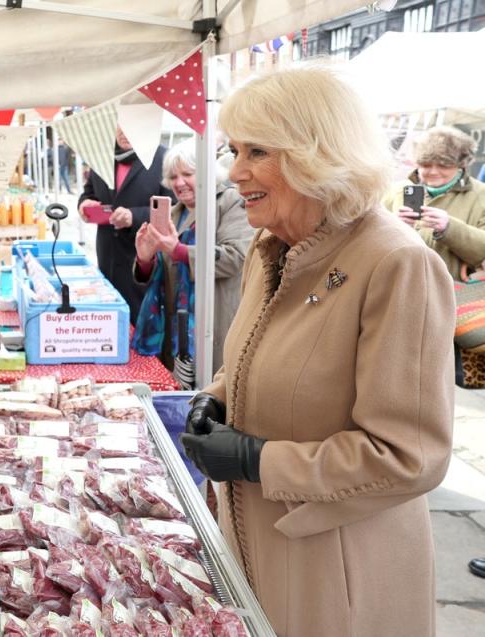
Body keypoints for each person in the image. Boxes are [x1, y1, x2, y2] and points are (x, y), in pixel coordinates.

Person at [179, 67, 454, 636]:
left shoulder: (397, 263)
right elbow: (259, 357)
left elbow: (410, 456)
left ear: (318, 153)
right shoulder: (270, 246)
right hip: (257, 542)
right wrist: (215, 397)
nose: (234, 171)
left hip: (339, 569)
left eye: (258, 150)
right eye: (234, 149)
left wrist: (259, 459)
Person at [131, 138, 252, 376]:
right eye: (173, 177)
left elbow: (235, 257)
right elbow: (165, 271)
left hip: (213, 325)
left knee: (212, 394)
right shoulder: (174, 212)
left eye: (187, 174)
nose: (179, 183)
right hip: (176, 329)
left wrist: (177, 250)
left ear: (207, 173)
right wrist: (145, 260)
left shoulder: (231, 202)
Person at [78, 127, 174, 323]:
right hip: (108, 253)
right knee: (110, 317)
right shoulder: (101, 156)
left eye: (131, 127)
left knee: (140, 320)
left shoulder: (163, 158)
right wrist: (84, 204)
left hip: (144, 258)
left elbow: (175, 208)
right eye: (119, 127)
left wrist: (135, 216)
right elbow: (89, 192)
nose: (125, 133)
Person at [385, 125, 485, 281]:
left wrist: (449, 228)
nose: (433, 171)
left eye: (443, 165)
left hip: (452, 292)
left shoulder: (481, 195)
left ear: (461, 165)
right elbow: (369, 241)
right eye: (425, 165)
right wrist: (394, 226)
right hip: (399, 284)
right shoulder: (395, 191)